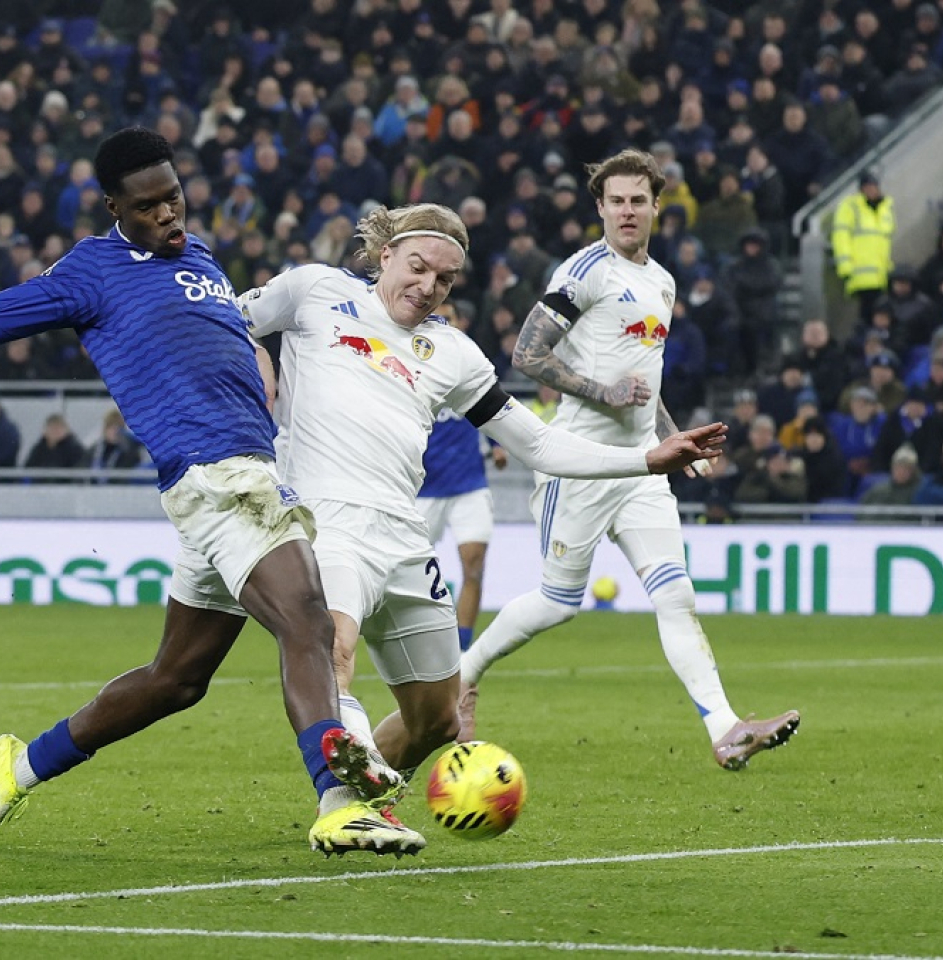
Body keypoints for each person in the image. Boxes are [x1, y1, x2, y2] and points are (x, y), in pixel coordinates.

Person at [0, 126, 416, 858]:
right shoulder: (89, 273)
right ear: (113, 207)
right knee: (308, 620)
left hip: (247, 470)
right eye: (149, 206)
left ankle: (18, 768)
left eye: (175, 199)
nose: (168, 216)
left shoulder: (202, 260)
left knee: (176, 679)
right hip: (216, 478)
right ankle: (338, 801)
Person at [238, 197, 726, 839]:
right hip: (326, 520)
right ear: (386, 255)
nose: (428, 287)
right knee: (332, 647)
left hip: (405, 536)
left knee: (436, 720)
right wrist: (259, 357)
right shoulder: (312, 291)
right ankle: (342, 808)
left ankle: (361, 793)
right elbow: (220, 319)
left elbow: (540, 444)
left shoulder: (455, 353)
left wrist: (646, 458)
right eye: (417, 268)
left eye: (444, 279)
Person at [459, 148, 800, 771]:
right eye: (616, 200)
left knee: (677, 597)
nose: (626, 210)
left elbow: (649, 378)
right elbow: (526, 353)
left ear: (656, 207)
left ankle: (725, 728)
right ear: (600, 207)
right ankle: (463, 674)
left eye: (637, 200)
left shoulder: (662, 282)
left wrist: (677, 443)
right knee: (558, 602)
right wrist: (601, 391)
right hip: (580, 464)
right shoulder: (585, 270)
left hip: (645, 468)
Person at [415, 305, 509, 654]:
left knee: (473, 566)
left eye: (448, 316)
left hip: (469, 484)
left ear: (461, 322)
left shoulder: (469, 363)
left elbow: (493, 408)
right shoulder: (413, 364)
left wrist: (499, 444)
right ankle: (419, 639)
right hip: (424, 488)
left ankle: (461, 649)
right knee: (408, 573)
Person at [831, 169, 895, 323]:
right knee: (867, 313)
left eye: (873, 186)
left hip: (881, 273)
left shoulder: (885, 207)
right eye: (867, 187)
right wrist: (845, 266)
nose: (871, 190)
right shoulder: (850, 207)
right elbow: (841, 237)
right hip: (861, 273)